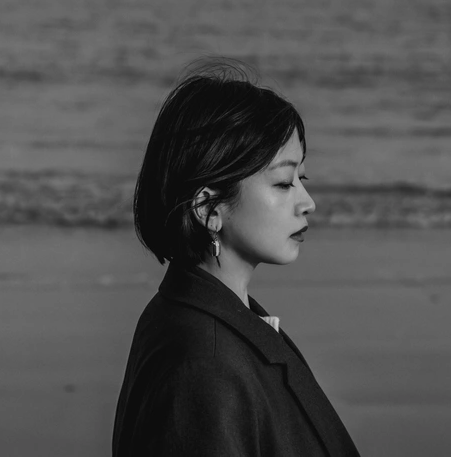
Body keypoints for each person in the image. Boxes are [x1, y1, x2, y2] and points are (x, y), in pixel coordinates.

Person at [112, 60, 361, 456]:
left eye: (302, 179)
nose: (308, 203)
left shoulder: (212, 319)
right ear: (208, 208)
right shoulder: (205, 363)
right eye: (284, 182)